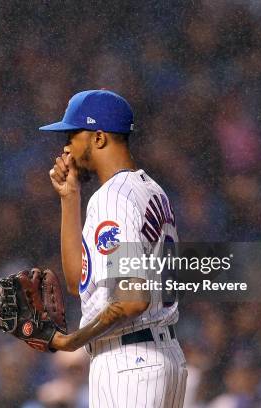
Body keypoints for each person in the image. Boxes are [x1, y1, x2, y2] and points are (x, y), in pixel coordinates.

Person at [40, 90, 187, 407]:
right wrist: (70, 198)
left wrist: (71, 341)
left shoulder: (113, 198)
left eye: (72, 135)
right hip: (157, 356)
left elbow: (133, 299)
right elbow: (78, 281)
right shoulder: (149, 190)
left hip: (130, 361)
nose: (66, 146)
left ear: (99, 137)